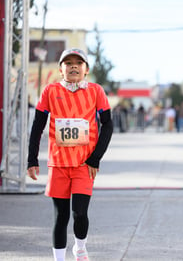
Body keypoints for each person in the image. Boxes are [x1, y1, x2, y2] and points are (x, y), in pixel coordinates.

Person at [27, 48, 113, 261]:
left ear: (86, 70)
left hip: (85, 164)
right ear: (60, 69)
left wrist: (95, 158)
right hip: (58, 165)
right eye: (68, 62)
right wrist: (32, 159)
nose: (73, 65)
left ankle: (80, 247)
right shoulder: (50, 91)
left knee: (80, 213)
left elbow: (108, 124)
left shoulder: (95, 91)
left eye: (78, 62)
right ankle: (59, 259)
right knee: (61, 216)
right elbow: (38, 126)